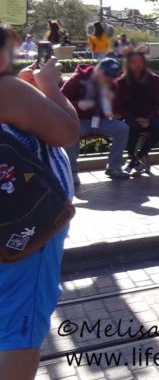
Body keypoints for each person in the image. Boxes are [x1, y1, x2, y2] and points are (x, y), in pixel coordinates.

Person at [0, 24, 79, 379]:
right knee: (19, 330)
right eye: (13, 51)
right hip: (26, 231)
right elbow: (67, 132)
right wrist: (51, 88)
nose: (17, 59)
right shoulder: (6, 90)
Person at [61, 58, 130, 182]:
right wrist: (78, 105)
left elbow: (118, 109)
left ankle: (114, 168)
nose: (109, 79)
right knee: (72, 131)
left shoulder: (112, 84)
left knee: (122, 128)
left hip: (101, 121)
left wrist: (113, 102)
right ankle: (71, 171)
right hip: (79, 120)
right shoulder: (77, 79)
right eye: (107, 75)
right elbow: (59, 99)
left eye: (113, 77)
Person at [114, 51, 159, 175]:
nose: (137, 65)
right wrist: (135, 119)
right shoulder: (122, 82)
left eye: (140, 62)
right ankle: (133, 157)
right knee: (129, 128)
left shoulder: (154, 79)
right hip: (131, 118)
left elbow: (157, 103)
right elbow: (120, 105)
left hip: (150, 117)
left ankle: (135, 159)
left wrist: (147, 118)